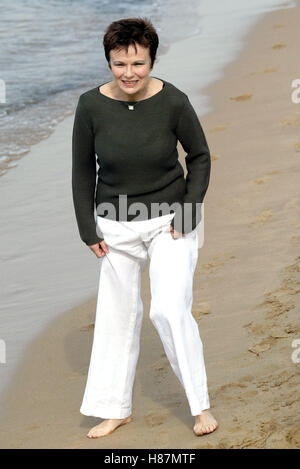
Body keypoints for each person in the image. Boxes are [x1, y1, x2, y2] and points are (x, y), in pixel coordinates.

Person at [72, 16, 218, 439]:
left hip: (172, 222)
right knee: (117, 317)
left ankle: (199, 405)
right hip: (113, 228)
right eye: (119, 64)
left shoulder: (173, 102)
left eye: (138, 63)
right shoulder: (90, 105)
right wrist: (87, 228)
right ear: (109, 62)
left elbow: (201, 156)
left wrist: (190, 211)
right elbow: (83, 171)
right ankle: (114, 408)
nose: (129, 73)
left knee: (168, 309)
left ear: (152, 59)